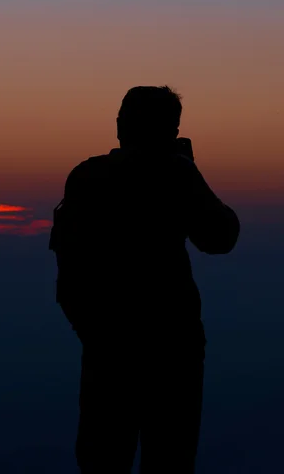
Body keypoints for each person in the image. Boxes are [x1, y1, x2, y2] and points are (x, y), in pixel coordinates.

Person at [49, 86, 240, 473]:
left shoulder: (86, 177)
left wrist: (93, 332)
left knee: (102, 460)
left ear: (121, 126)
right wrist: (188, 168)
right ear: (171, 132)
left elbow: (67, 268)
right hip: (173, 350)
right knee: (171, 460)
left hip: (107, 348)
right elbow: (220, 237)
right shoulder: (176, 175)